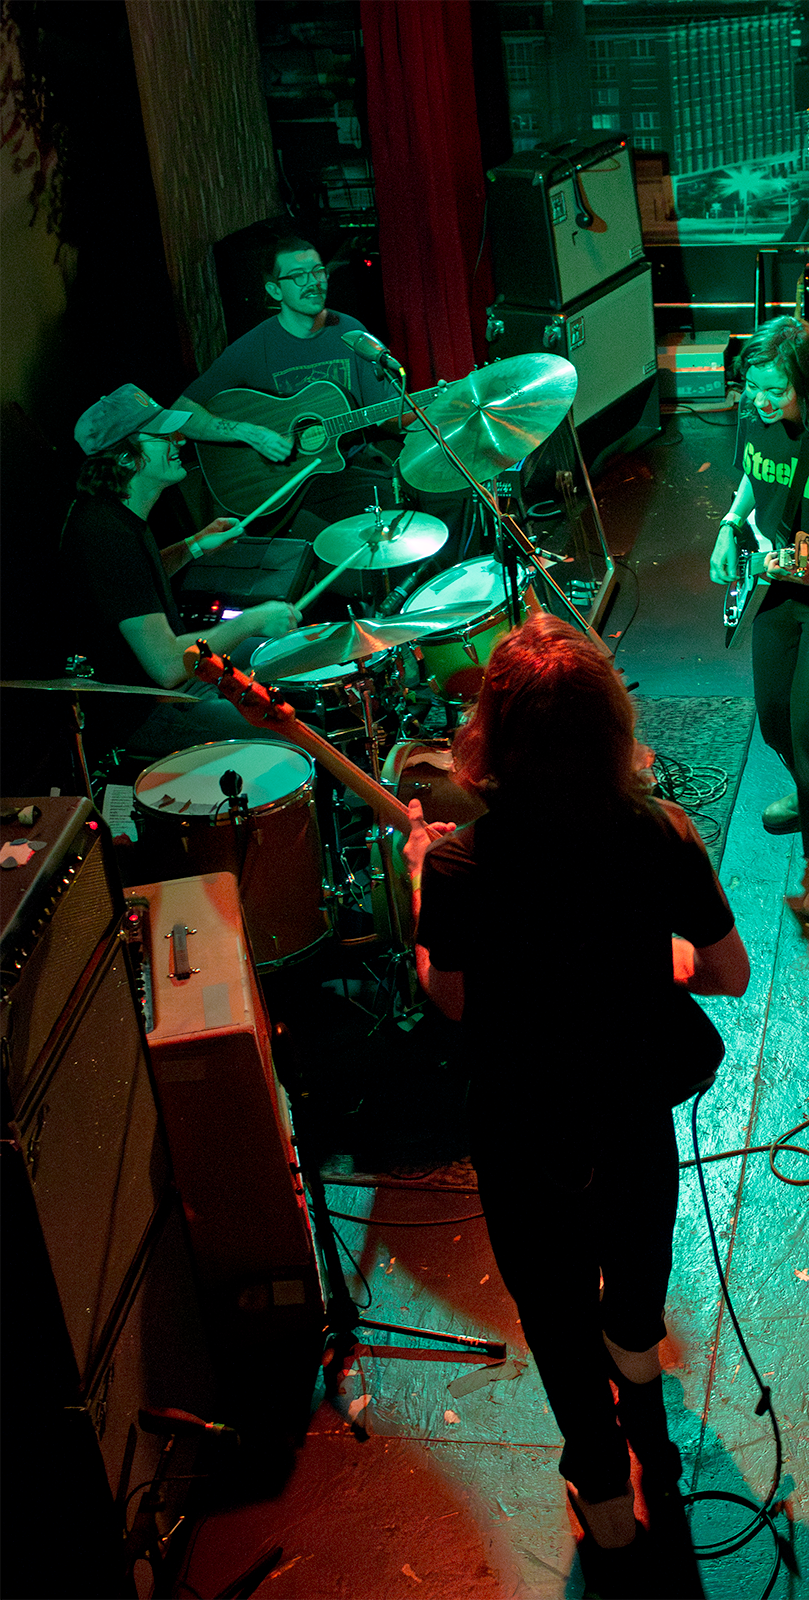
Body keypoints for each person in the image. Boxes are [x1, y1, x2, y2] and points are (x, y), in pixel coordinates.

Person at [402, 615, 749, 1599]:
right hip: (631, 1107)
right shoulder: (661, 832)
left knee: (554, 1319)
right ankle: (646, 1411)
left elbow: (451, 997)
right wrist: (659, 958)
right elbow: (727, 973)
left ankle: (605, 1502)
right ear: (610, 728)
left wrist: (421, 880)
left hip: (522, 1127)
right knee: (634, 1278)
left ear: (493, 737)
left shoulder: (462, 865)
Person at [708, 316, 809, 922]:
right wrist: (729, 526)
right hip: (782, 578)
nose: (761, 400)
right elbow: (754, 477)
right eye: (753, 387)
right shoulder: (755, 413)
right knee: (775, 714)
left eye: (776, 390)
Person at [61, 383, 300, 758]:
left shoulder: (114, 513)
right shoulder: (106, 535)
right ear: (125, 458)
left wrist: (195, 545)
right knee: (297, 740)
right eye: (163, 436)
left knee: (283, 654)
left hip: (173, 690)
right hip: (148, 711)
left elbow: (133, 582)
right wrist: (252, 619)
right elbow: (168, 666)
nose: (180, 441)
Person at [176, 229, 404, 540]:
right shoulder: (253, 348)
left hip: (347, 469)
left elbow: (388, 413)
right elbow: (180, 410)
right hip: (284, 485)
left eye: (318, 271)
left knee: (410, 499)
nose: (313, 282)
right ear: (274, 290)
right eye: (298, 276)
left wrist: (441, 406)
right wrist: (252, 433)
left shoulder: (350, 332)